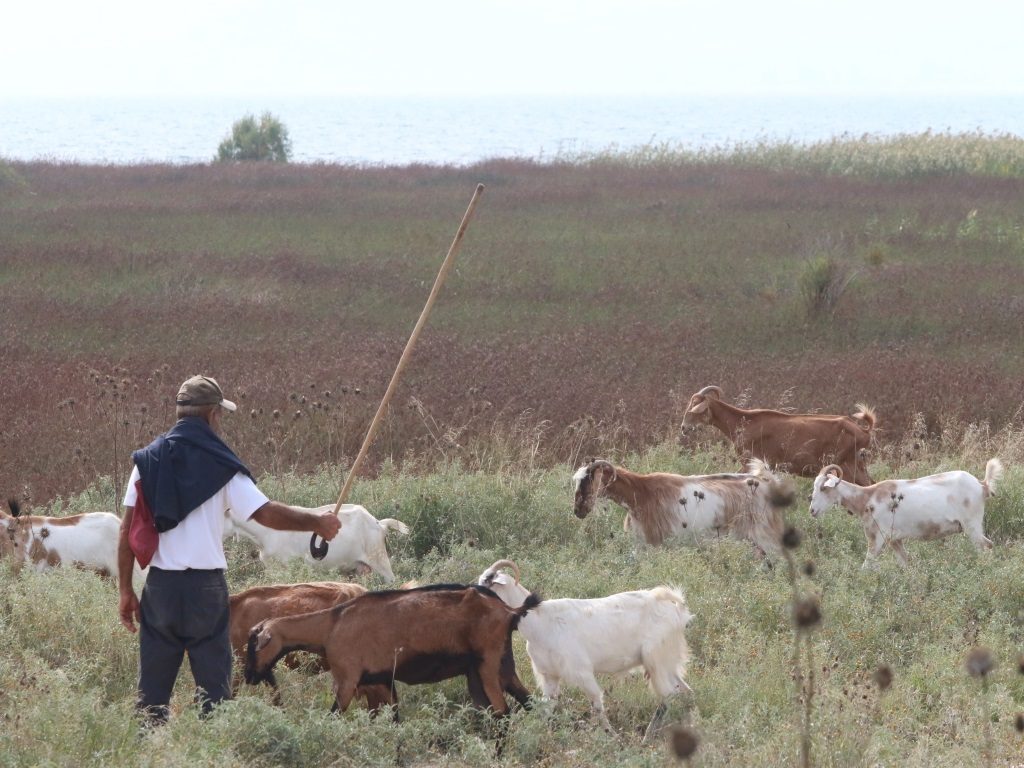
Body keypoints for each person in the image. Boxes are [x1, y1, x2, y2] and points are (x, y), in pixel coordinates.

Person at [116, 374, 341, 725]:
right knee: (214, 692)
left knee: (152, 695)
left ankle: (150, 752)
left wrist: (126, 590)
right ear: (210, 415)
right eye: (220, 414)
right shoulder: (221, 465)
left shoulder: (146, 461)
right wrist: (316, 521)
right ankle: (213, 751)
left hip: (160, 588)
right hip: (205, 590)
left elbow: (126, 529)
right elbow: (265, 512)